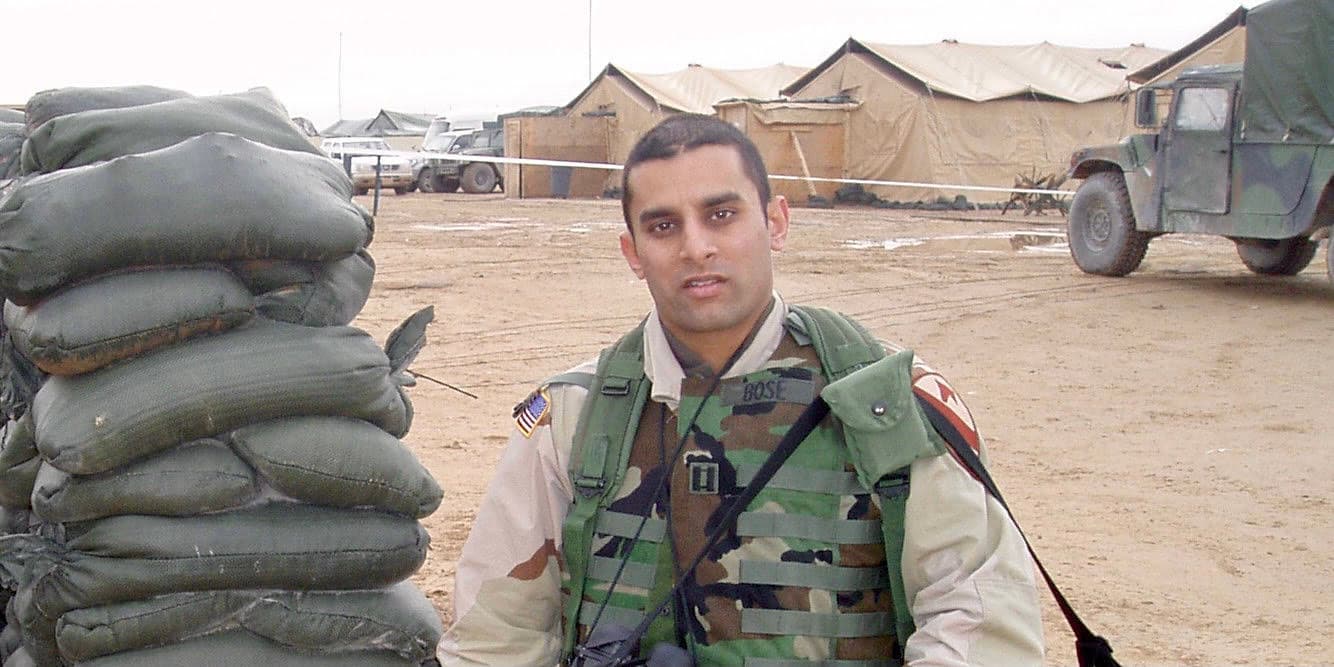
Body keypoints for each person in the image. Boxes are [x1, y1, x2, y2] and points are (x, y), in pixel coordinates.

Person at [439, 114, 1044, 666]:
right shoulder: (574, 416)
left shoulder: (886, 402)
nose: (695, 246)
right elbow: (497, 639)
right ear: (633, 252)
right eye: (663, 225)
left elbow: (979, 623)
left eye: (721, 215)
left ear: (775, 223)